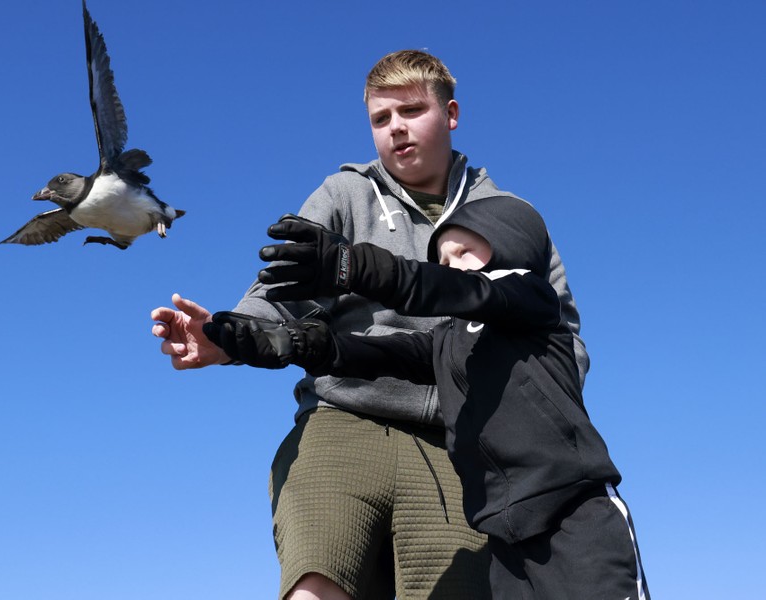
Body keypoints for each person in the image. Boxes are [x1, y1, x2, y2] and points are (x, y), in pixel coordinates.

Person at [151, 49, 587, 599]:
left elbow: (563, 340)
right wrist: (227, 337)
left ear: (450, 114)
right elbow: (280, 294)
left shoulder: (510, 216)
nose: (396, 129)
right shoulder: (343, 195)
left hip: (461, 439)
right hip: (344, 418)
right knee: (315, 584)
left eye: (410, 111)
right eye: (381, 120)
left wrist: (515, 416)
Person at [203, 196, 650, 599]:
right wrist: (302, 344)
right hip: (501, 535)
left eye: (463, 251)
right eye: (441, 258)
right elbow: (389, 353)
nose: (450, 265)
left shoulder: (531, 300)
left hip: (574, 516)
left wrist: (351, 266)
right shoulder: (449, 341)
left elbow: (467, 291)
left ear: (510, 244)